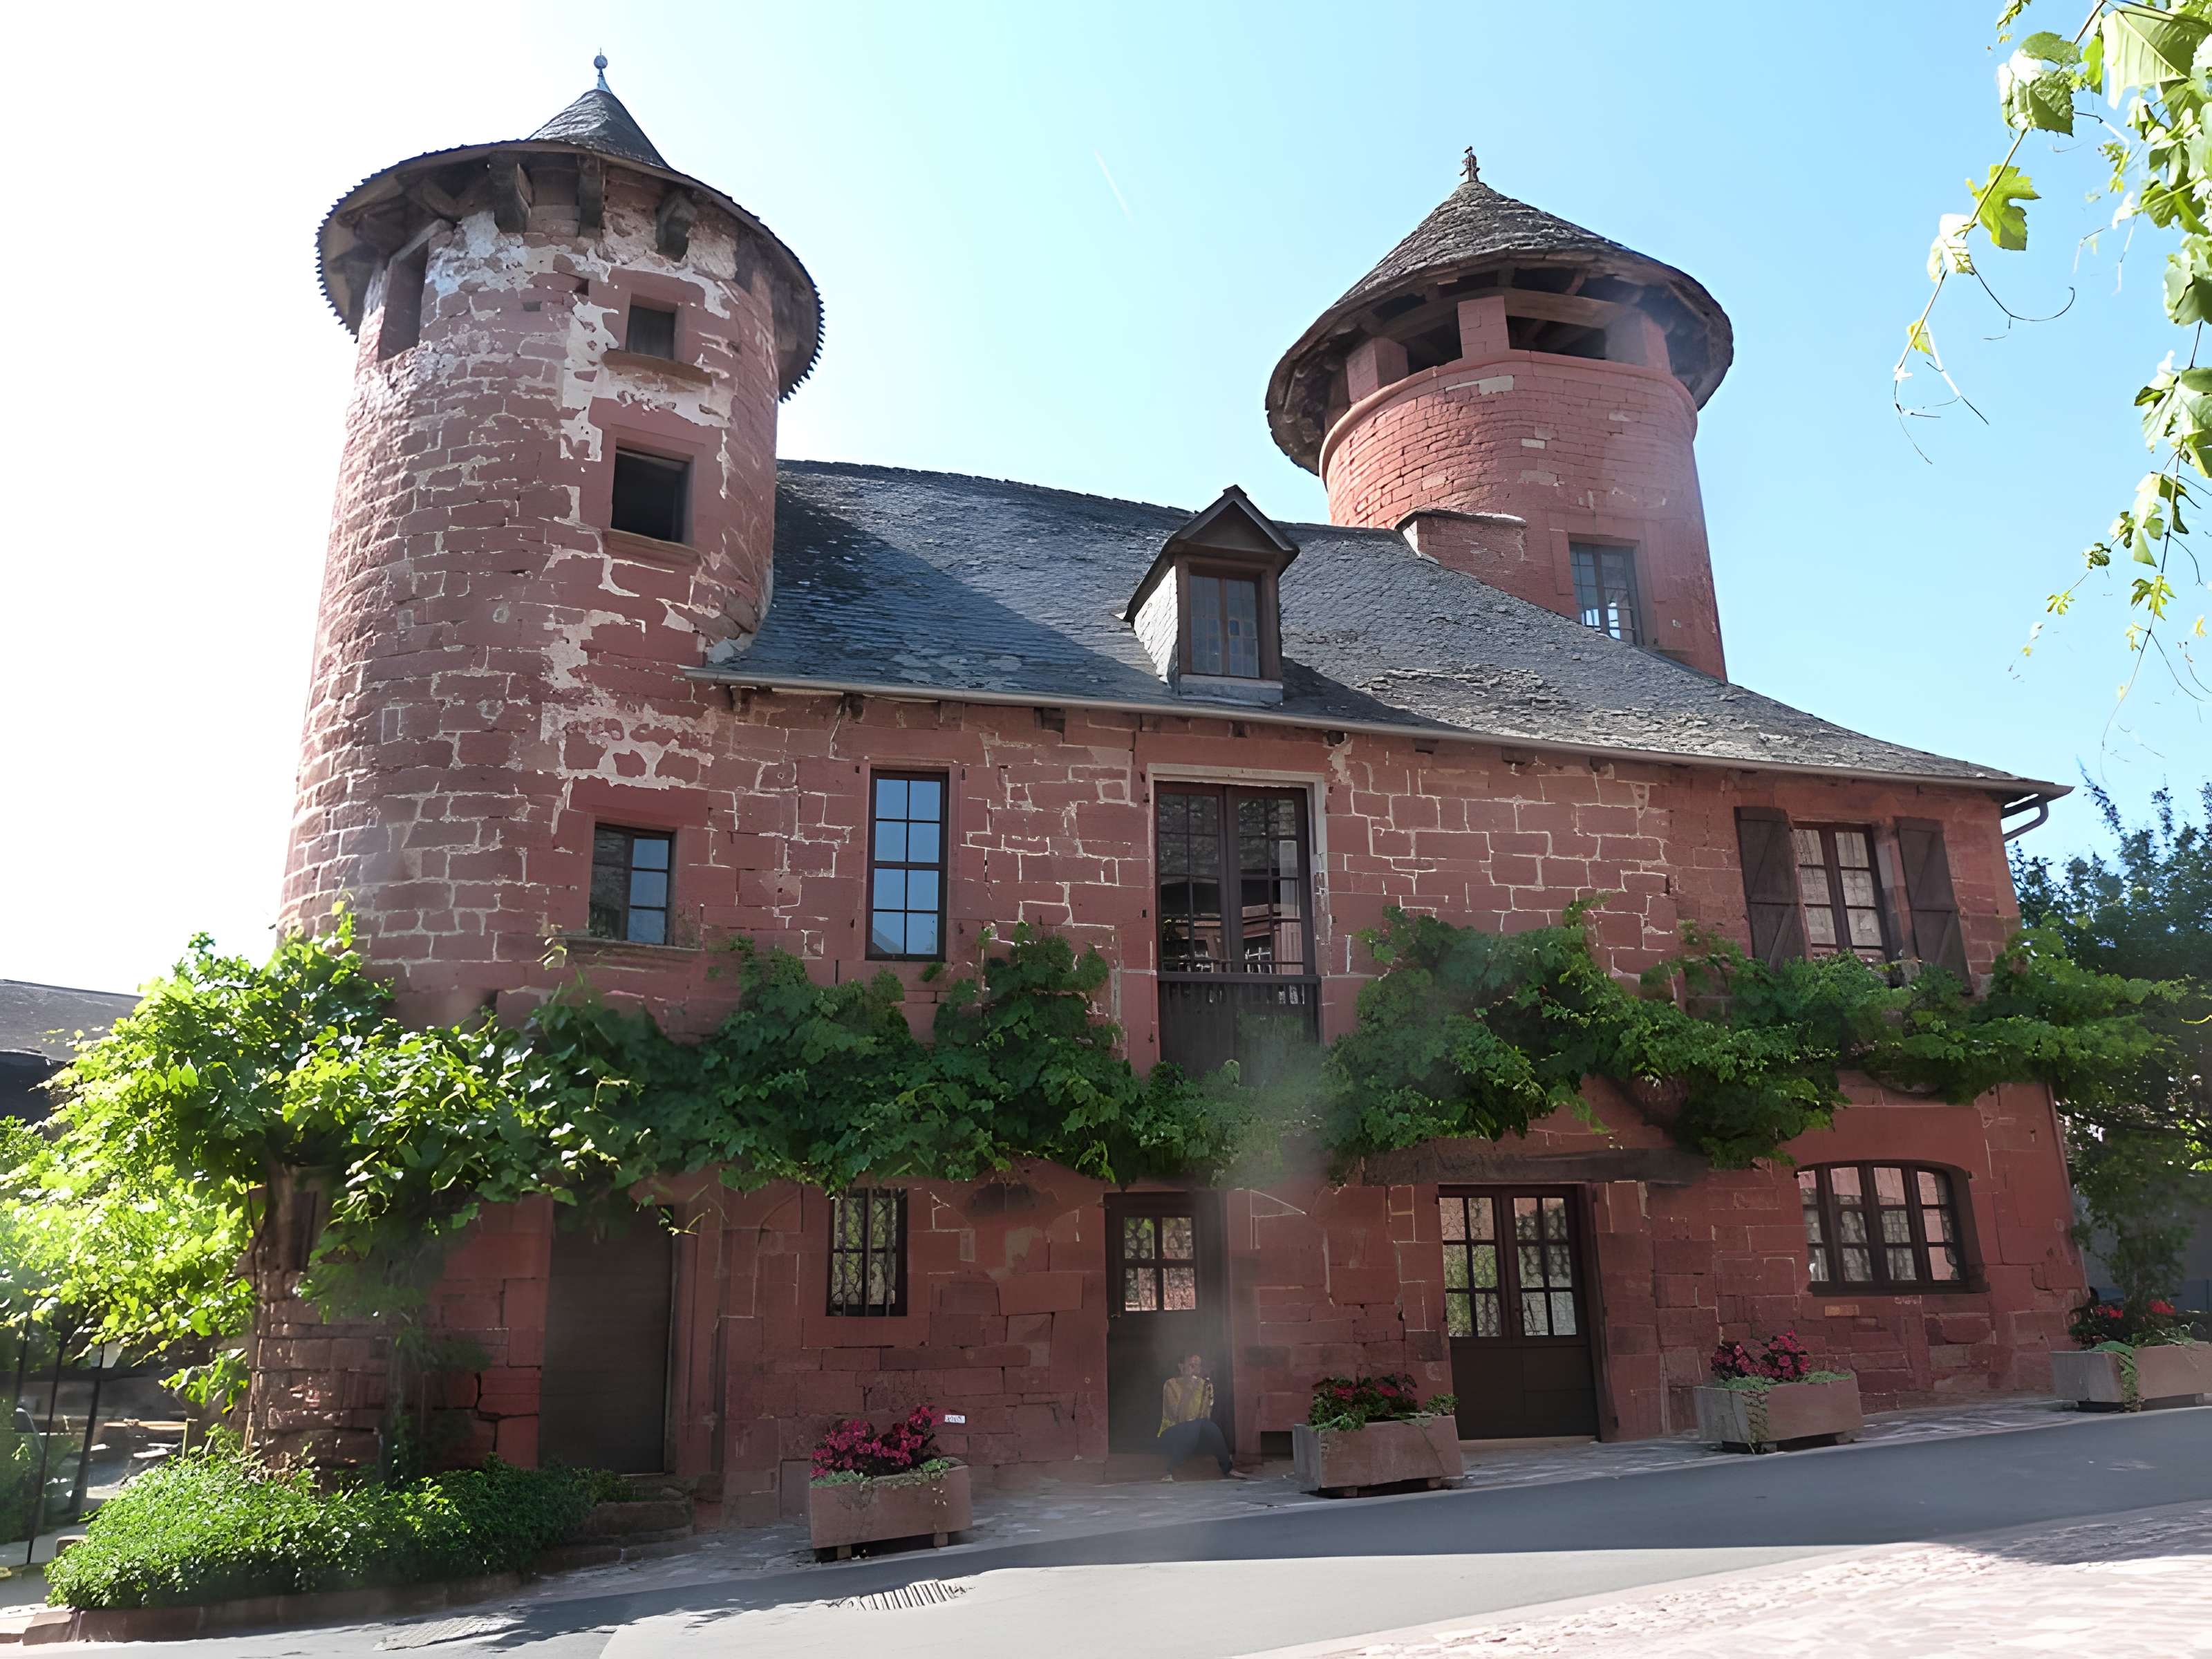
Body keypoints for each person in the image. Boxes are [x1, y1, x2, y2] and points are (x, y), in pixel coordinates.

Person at [1155, 1351, 1249, 1481]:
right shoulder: (1171, 1384)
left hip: (1195, 1435)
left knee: (1206, 1425)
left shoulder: (1206, 1385)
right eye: (1191, 1365)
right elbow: (1178, 1418)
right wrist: (1188, 1390)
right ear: (1181, 1367)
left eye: (1198, 1366)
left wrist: (1199, 1389)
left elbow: (1206, 1417)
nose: (1195, 1370)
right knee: (1195, 1426)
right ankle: (1171, 1470)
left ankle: (1228, 1468)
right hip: (1172, 1432)